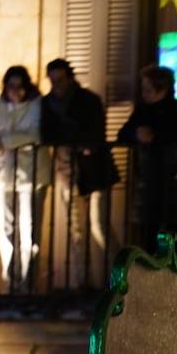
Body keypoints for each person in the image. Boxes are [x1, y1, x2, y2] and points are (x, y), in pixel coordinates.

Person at [42, 58, 118, 290]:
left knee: (99, 225)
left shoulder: (88, 100)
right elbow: (47, 134)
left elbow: (95, 132)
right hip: (67, 170)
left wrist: (76, 139)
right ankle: (80, 282)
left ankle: (120, 280)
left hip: (93, 169)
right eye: (53, 80)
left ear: (70, 77)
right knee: (76, 231)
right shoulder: (48, 104)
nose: (57, 84)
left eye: (60, 79)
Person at [0, 65, 44, 290]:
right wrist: (5, 139)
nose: (15, 90)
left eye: (19, 86)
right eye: (10, 86)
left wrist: (3, 140)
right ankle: (10, 280)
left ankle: (27, 282)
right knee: (5, 229)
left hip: (31, 175)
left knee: (28, 229)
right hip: (5, 174)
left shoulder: (36, 106)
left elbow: (34, 134)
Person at [117, 66, 177, 255]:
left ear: (162, 88)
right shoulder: (142, 111)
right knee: (149, 235)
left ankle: (174, 279)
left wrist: (153, 136)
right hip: (150, 181)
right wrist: (136, 134)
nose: (143, 93)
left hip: (175, 180)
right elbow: (122, 134)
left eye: (147, 89)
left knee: (175, 234)